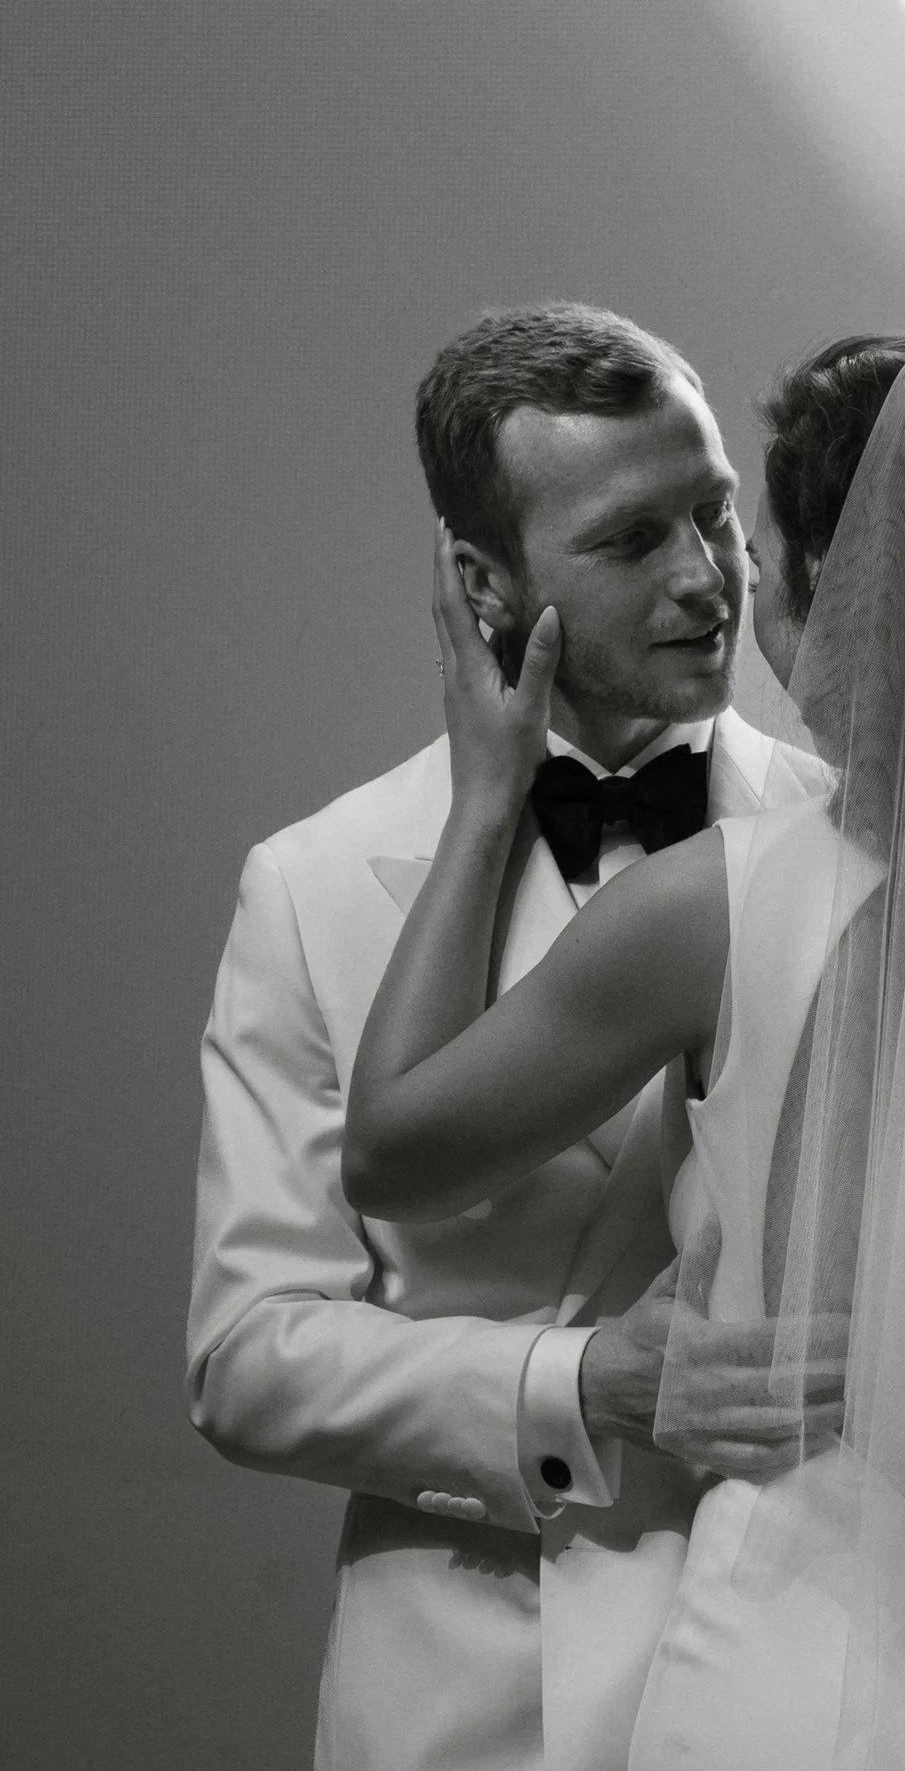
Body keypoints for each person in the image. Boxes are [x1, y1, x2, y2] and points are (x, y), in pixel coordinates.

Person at [343, 339, 905, 1767]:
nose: (740, 600)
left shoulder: (722, 902)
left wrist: (486, 798)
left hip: (797, 1655)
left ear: (842, 599)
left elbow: (397, 1149)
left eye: (770, 568)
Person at [188, 302, 839, 1771]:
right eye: (629, 542)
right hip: (462, 1703)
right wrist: (577, 1387)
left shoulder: (860, 849)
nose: (706, 579)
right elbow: (246, 1351)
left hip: (797, 1666)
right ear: (484, 585)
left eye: (718, 515)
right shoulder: (313, 884)